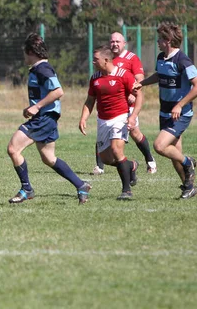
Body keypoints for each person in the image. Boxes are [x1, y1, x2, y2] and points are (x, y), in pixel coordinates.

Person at [7, 33, 91, 204]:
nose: (23, 55)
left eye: (24, 52)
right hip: (46, 117)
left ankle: (26, 188)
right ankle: (81, 185)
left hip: (44, 118)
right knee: (48, 158)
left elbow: (58, 91)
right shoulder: (38, 69)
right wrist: (32, 106)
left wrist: (37, 107)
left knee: (13, 149)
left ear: (30, 52)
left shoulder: (43, 69)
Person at [134, 23, 197, 199]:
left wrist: (180, 105)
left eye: (160, 39)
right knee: (174, 155)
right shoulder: (162, 57)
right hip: (165, 113)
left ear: (168, 41)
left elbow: (196, 86)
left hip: (180, 114)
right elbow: (159, 75)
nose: (158, 41)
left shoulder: (183, 61)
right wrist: (142, 83)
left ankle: (189, 162)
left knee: (160, 146)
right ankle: (189, 187)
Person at [79, 45, 142, 200]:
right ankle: (130, 165)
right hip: (103, 120)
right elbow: (90, 100)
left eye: (96, 59)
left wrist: (133, 116)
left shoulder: (124, 75)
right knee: (106, 159)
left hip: (120, 118)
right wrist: (83, 117)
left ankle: (126, 190)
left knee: (116, 150)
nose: (93, 62)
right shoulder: (95, 78)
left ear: (106, 60)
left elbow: (139, 96)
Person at [93, 32, 156, 176]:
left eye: (118, 41)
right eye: (112, 41)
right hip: (110, 105)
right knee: (103, 129)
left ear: (124, 43)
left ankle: (150, 161)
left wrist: (132, 94)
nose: (115, 44)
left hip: (127, 104)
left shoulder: (131, 58)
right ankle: (100, 166)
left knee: (134, 132)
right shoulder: (107, 58)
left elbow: (138, 79)